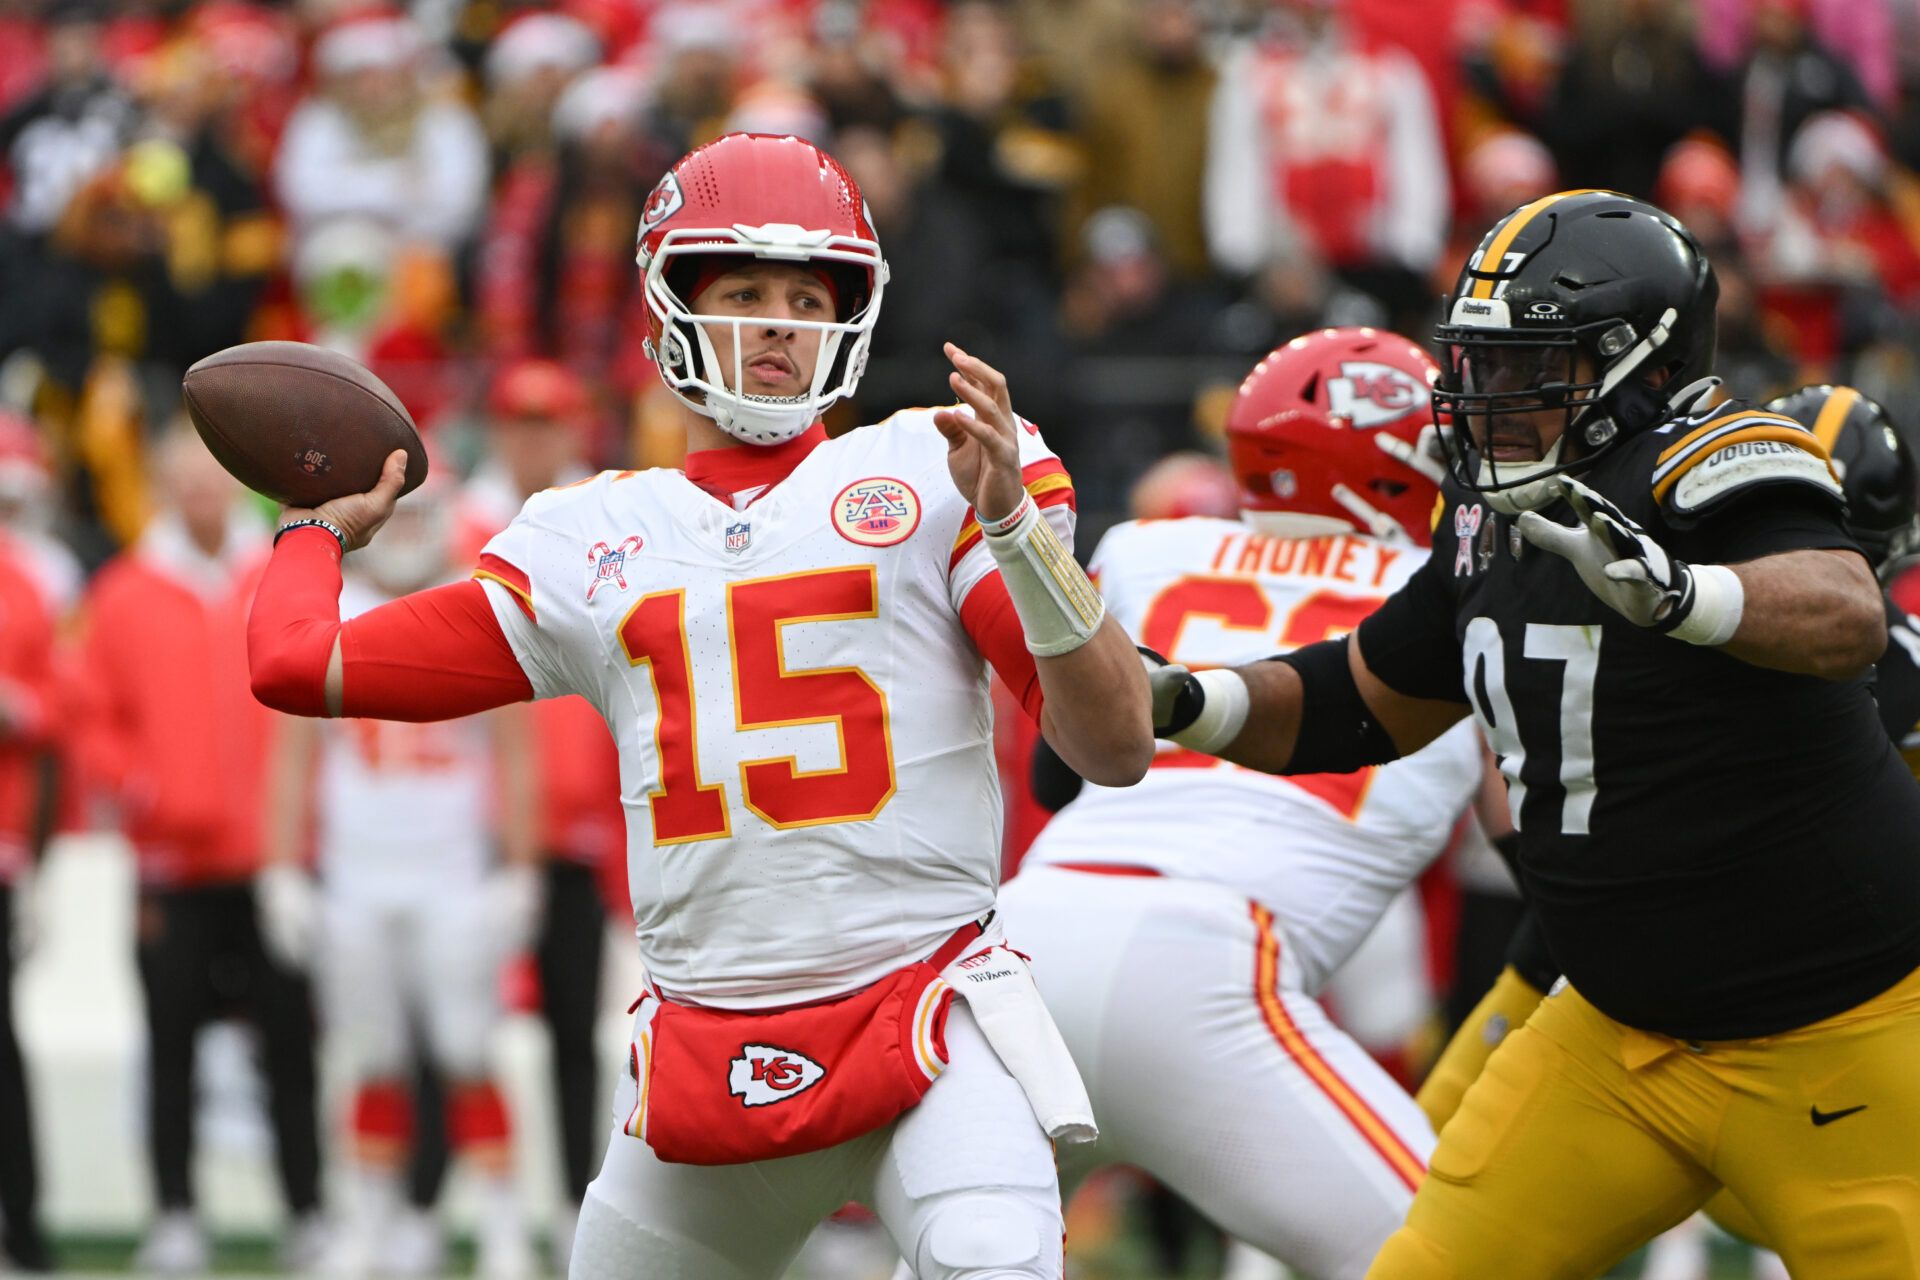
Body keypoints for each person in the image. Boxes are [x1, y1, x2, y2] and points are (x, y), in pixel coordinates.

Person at [248, 132, 1153, 1280]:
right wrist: (313, 532)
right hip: (706, 1043)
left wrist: (1020, 535)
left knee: (992, 1258)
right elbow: (299, 663)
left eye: (803, 295)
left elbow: (1112, 744)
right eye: (744, 291)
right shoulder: (586, 537)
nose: (779, 321)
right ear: (674, 308)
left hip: (928, 1014)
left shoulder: (940, 470)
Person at [1147, 190, 1920, 1276]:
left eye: (1525, 365)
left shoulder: (1712, 454)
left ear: (1639, 365)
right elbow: (1368, 692)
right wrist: (1190, 702)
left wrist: (1680, 592)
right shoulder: (1486, 513)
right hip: (1611, 1036)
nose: (1485, 394)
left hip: (1843, 1032)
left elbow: (1845, 612)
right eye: (1479, 362)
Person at [1002, 328, 1486, 1279]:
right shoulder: (1458, 593)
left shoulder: (1147, 550)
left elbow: (1059, 778)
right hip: (1214, 968)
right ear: (1389, 474)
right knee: (1457, 1261)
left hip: (1023, 943)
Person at [259, 472, 544, 1280]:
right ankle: (370, 1226)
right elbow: (293, 756)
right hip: (358, 871)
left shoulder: (475, 603)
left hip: (452, 871)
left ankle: (501, 1228)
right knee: (372, 1054)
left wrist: (519, 868)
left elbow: (517, 755)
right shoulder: (330, 606)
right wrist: (280, 867)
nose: (412, 530)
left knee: (469, 1049)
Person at [74, 428, 324, 1275]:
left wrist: (304, 831)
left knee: (291, 1047)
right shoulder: (122, 593)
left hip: (270, 862)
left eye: (211, 479)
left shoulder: (279, 577)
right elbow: (91, 719)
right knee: (169, 1046)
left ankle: (307, 1212)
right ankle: (175, 1214)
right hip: (170, 869)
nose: (199, 495)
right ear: (160, 488)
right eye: (181, 480)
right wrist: (141, 790)